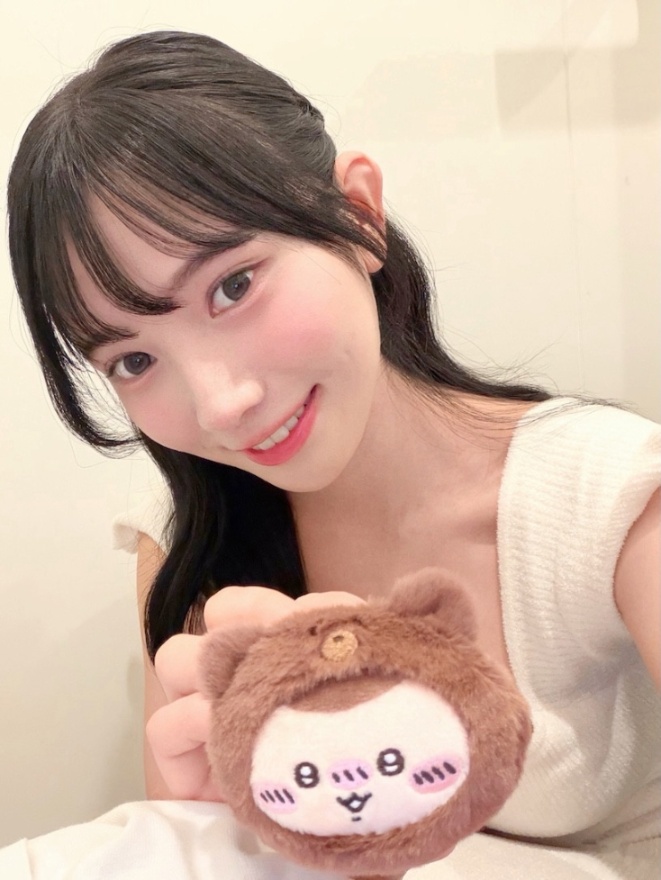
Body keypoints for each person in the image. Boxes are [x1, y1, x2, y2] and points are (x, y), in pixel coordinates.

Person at [7, 29, 660, 879]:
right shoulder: (188, 546)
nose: (221, 404)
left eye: (233, 285)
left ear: (357, 216)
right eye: (133, 360)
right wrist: (217, 816)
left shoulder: (609, 499)